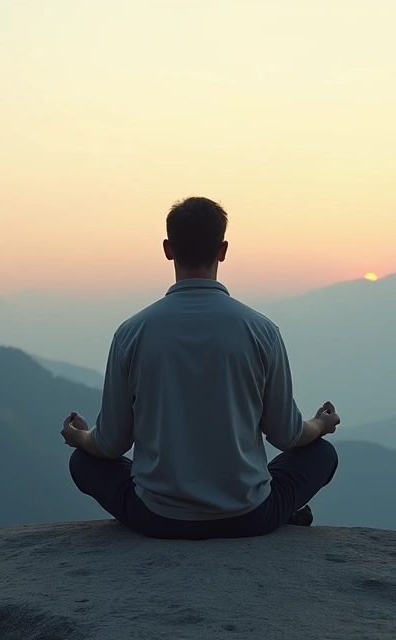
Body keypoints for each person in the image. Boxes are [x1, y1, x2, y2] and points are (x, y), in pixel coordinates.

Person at [60, 196, 340, 540]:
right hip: (249, 516)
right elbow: (288, 435)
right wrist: (320, 424)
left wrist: (80, 437)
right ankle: (280, 511)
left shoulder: (132, 333)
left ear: (167, 249)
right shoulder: (261, 331)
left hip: (157, 518)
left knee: (82, 463)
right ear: (222, 250)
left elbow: (110, 445)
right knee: (322, 454)